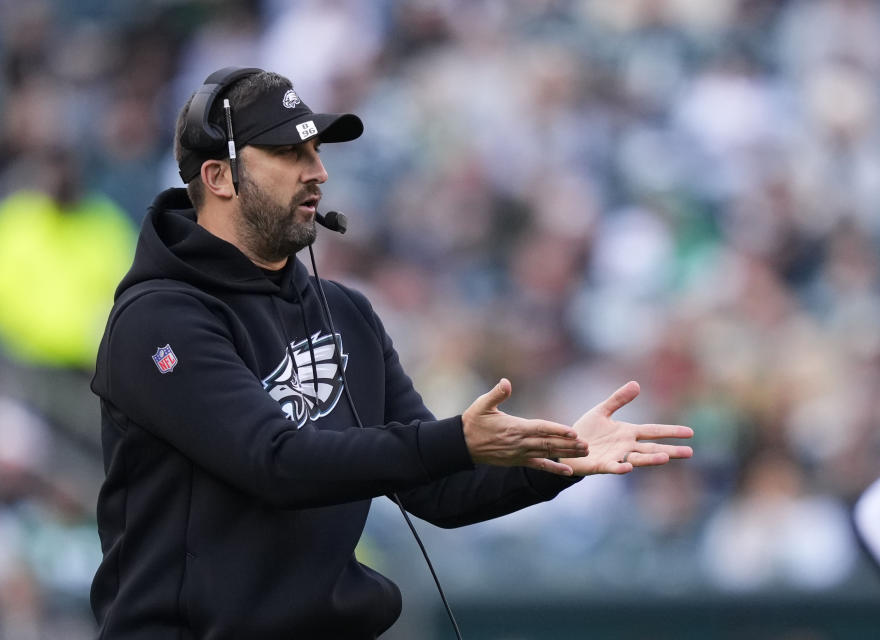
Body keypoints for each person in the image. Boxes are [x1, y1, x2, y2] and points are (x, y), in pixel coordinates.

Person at [89, 67, 694, 639]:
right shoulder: (158, 320)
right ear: (219, 177)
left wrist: (555, 457)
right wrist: (455, 440)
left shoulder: (345, 311)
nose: (318, 171)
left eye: (317, 152)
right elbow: (274, 463)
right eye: (290, 153)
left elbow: (439, 493)